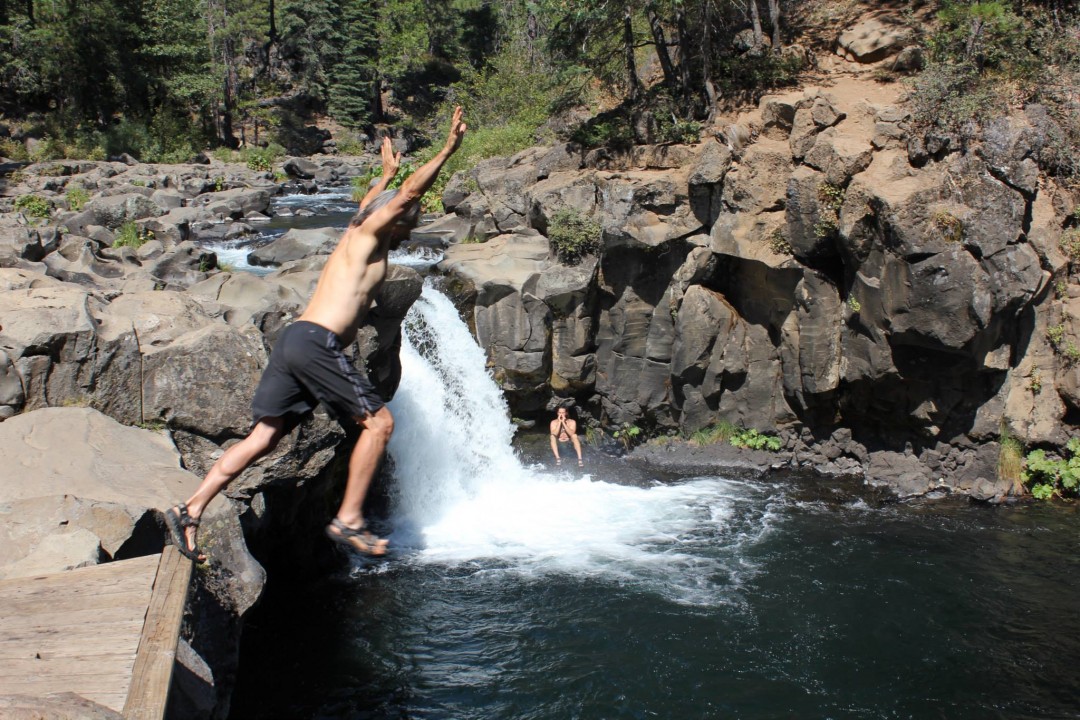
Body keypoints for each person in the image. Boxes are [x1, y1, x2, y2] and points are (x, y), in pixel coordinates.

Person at [165, 109, 468, 562]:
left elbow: (374, 203)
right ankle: (348, 518)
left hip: (294, 341)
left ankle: (189, 509)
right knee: (380, 423)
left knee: (263, 438)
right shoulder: (369, 235)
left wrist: (384, 175)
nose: (410, 216)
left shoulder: (356, 231)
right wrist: (446, 151)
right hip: (316, 343)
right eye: (408, 214)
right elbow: (408, 193)